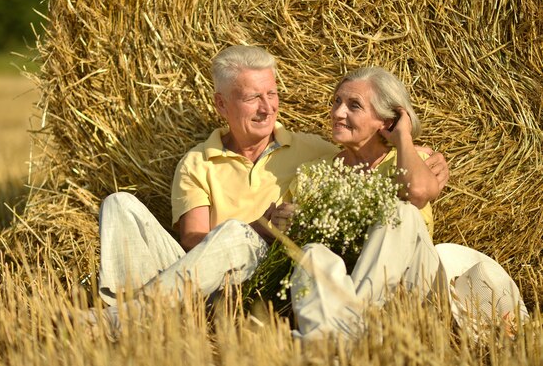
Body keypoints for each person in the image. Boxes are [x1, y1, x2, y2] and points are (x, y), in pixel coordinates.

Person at [86, 48, 449, 337]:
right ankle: (122, 316)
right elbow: (193, 243)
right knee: (119, 203)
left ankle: (348, 323)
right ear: (221, 105)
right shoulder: (200, 162)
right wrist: (263, 225)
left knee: (387, 217)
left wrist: (414, 149)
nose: (266, 108)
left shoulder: (314, 151)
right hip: (208, 271)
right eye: (252, 98)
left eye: (272, 94)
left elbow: (406, 183)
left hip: (262, 274)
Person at [279, 66, 528, 341]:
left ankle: (348, 327)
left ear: (385, 121)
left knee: (401, 212)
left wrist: (404, 136)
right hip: (344, 291)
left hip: (413, 291)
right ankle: (336, 341)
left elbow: (418, 192)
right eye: (336, 101)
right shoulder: (313, 175)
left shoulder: (411, 160)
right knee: (313, 254)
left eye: (354, 105)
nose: (338, 112)